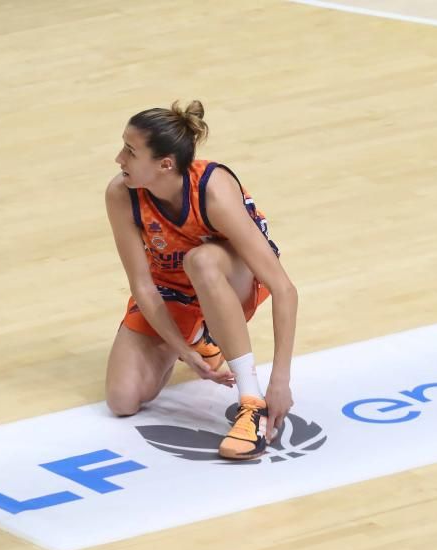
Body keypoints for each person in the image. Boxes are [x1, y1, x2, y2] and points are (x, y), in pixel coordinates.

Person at [104, 100, 298, 460]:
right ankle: (203, 337)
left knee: (201, 260)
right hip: (173, 289)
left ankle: (250, 402)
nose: (119, 159)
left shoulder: (212, 191)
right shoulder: (121, 194)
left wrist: (280, 380)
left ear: (164, 164)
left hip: (233, 280)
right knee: (122, 399)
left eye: (130, 152)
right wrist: (182, 350)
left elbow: (284, 288)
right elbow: (143, 286)